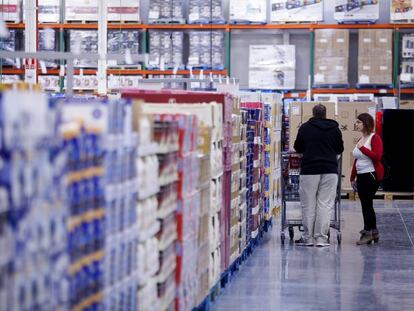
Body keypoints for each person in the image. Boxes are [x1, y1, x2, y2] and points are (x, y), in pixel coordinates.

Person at [294, 104, 344, 247]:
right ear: (325, 114)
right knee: (325, 204)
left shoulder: (305, 128)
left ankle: (308, 238)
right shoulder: (335, 129)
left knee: (308, 204)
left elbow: (298, 147)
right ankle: (321, 238)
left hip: (309, 170)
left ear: (313, 113)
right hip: (330, 169)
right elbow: (340, 148)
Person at [351, 113, 384, 245]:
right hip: (362, 175)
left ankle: (368, 232)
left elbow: (377, 156)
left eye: (359, 122)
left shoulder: (374, 138)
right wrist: (352, 177)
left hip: (371, 175)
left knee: (366, 204)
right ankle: (373, 231)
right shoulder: (361, 138)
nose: (356, 124)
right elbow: (357, 159)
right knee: (366, 204)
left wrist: (362, 148)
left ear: (366, 123)